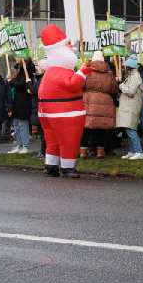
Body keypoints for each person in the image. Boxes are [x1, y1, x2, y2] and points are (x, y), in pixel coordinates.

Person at [38, 25, 91, 178]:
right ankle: (67, 167)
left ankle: (51, 165)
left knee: (52, 141)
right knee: (69, 140)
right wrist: (83, 72)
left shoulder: (49, 73)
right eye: (68, 45)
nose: (72, 48)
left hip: (47, 113)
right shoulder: (61, 72)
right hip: (65, 113)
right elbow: (73, 84)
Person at [80, 51, 119, 159]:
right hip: (105, 101)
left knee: (85, 127)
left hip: (87, 101)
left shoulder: (86, 72)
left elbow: (80, 85)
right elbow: (114, 89)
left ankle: (83, 151)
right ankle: (100, 152)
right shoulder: (109, 74)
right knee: (101, 127)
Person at [117, 55, 143, 160]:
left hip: (131, 106)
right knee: (128, 128)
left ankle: (138, 151)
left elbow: (131, 91)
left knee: (131, 129)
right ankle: (132, 151)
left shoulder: (135, 76)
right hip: (129, 106)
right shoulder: (132, 75)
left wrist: (121, 86)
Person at [8, 61, 34, 154]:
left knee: (23, 125)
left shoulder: (28, 72)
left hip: (23, 103)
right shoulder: (19, 71)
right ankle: (19, 145)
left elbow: (21, 84)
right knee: (16, 125)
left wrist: (11, 81)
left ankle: (25, 145)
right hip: (16, 103)